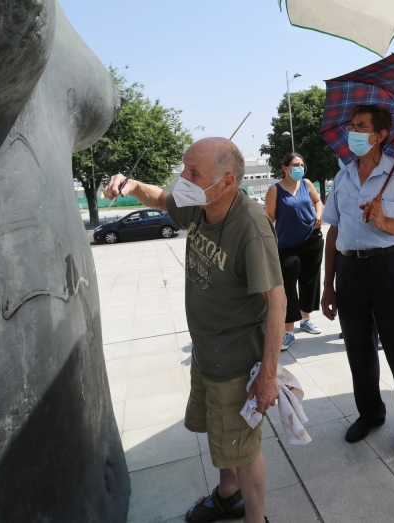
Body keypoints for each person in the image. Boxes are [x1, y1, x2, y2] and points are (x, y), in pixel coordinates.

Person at [103, 137, 285, 523]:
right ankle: (227, 493)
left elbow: (278, 303)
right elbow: (159, 198)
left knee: (243, 447)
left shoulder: (251, 226)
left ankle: (256, 518)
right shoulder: (200, 207)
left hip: (236, 363)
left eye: (193, 172)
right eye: (184, 167)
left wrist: (267, 376)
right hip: (205, 353)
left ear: (227, 182)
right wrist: (132, 185)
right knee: (217, 434)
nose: (182, 178)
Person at [320, 104, 394, 466]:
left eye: (362, 126)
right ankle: (370, 413)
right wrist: (328, 285)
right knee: (358, 352)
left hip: (389, 270)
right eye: (352, 125)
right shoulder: (343, 178)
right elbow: (333, 230)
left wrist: (386, 222)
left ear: (381, 135)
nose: (353, 131)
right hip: (349, 271)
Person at [264, 153, 325, 351]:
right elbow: (268, 219)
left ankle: (306, 319)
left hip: (312, 240)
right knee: (288, 287)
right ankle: (288, 331)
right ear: (285, 168)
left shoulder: (307, 184)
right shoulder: (275, 190)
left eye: (301, 164)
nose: (299, 167)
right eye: (295, 164)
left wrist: (318, 215)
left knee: (310, 281)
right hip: (287, 246)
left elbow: (318, 202)